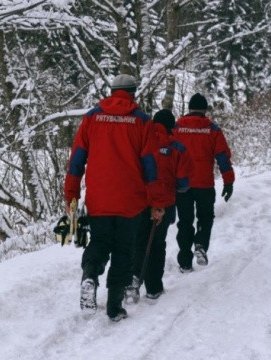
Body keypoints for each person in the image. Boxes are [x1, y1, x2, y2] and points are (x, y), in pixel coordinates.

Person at [64, 74, 167, 321]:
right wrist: (157, 203)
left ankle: (90, 274)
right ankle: (114, 305)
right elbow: (151, 167)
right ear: (133, 93)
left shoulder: (91, 118)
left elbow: (76, 159)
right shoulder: (142, 121)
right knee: (123, 251)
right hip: (131, 201)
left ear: (112, 92)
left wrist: (71, 195)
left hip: (99, 198)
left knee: (99, 242)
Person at [125, 109, 193, 302]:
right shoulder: (177, 147)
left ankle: (133, 278)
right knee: (156, 244)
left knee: (138, 242)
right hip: (164, 202)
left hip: (139, 201)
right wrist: (179, 189)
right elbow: (183, 181)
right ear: (171, 126)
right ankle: (153, 288)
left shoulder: (138, 141)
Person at [173, 93, 234, 272]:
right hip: (204, 184)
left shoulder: (177, 128)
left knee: (185, 221)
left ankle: (184, 261)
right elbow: (222, 156)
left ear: (189, 109)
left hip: (182, 184)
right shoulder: (212, 129)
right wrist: (228, 181)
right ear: (205, 110)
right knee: (205, 217)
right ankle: (200, 244)